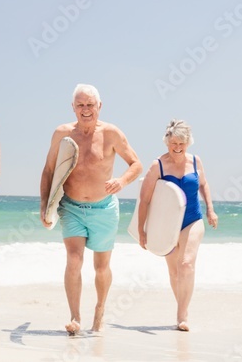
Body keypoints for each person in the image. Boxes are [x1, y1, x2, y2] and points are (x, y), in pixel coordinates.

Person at [40, 83, 143, 335]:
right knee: (74, 260)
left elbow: (136, 164)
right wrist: (45, 205)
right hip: (71, 207)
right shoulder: (62, 134)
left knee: (100, 268)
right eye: (80, 105)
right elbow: (49, 171)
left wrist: (121, 181)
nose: (85, 109)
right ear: (73, 107)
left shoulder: (111, 134)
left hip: (104, 209)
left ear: (99, 106)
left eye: (90, 105)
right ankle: (75, 317)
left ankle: (100, 309)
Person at [134, 119, 218, 332]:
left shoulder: (196, 161)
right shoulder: (158, 166)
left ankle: (182, 314)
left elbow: (204, 184)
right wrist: (142, 229)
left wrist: (210, 209)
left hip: (192, 219)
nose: (178, 148)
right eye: (174, 144)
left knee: (186, 264)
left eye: (182, 144)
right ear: (167, 142)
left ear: (188, 142)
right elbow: (144, 199)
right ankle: (182, 308)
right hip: (167, 224)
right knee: (173, 272)